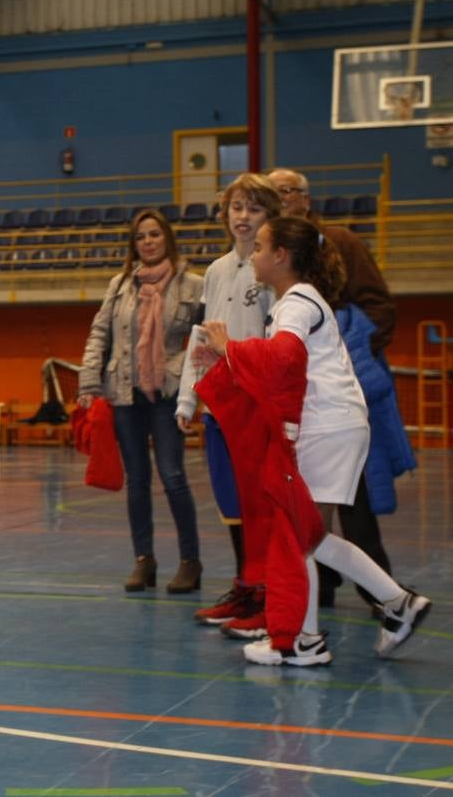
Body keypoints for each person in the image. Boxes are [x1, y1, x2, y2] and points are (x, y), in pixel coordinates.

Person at [194, 216, 431, 665]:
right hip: (335, 425)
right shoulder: (296, 300)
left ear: (281, 255)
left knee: (297, 534)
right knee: (307, 534)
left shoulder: (297, 301)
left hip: (329, 426)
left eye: (261, 247)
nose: (255, 255)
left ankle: (305, 640)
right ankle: (394, 603)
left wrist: (232, 348)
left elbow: (284, 357)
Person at [269, 168, 395, 608]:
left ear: (305, 198)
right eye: (272, 193)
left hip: (338, 398)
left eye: (286, 191)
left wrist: (348, 357)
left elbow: (379, 308)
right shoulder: (266, 257)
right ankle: (318, 590)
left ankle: (381, 592)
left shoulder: (341, 242)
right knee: (307, 504)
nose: (280, 199)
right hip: (298, 402)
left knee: (354, 498)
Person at [77, 209, 203, 593]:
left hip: (167, 393)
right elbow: (100, 334)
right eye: (140, 237)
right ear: (133, 245)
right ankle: (144, 560)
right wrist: (88, 380)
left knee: (173, 475)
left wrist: (188, 380)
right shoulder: (119, 286)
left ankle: (189, 562)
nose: (147, 242)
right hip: (123, 392)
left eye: (154, 234)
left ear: (167, 238)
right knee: (137, 481)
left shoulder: (193, 285)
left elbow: (205, 339)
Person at [175, 175, 280, 634]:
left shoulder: (275, 272)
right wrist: (187, 400)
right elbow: (201, 339)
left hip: (258, 408)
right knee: (233, 505)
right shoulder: (215, 272)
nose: (242, 217)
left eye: (253, 209)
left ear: (269, 218)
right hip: (220, 409)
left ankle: (267, 595)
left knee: (262, 506)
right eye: (236, 207)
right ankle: (245, 587)